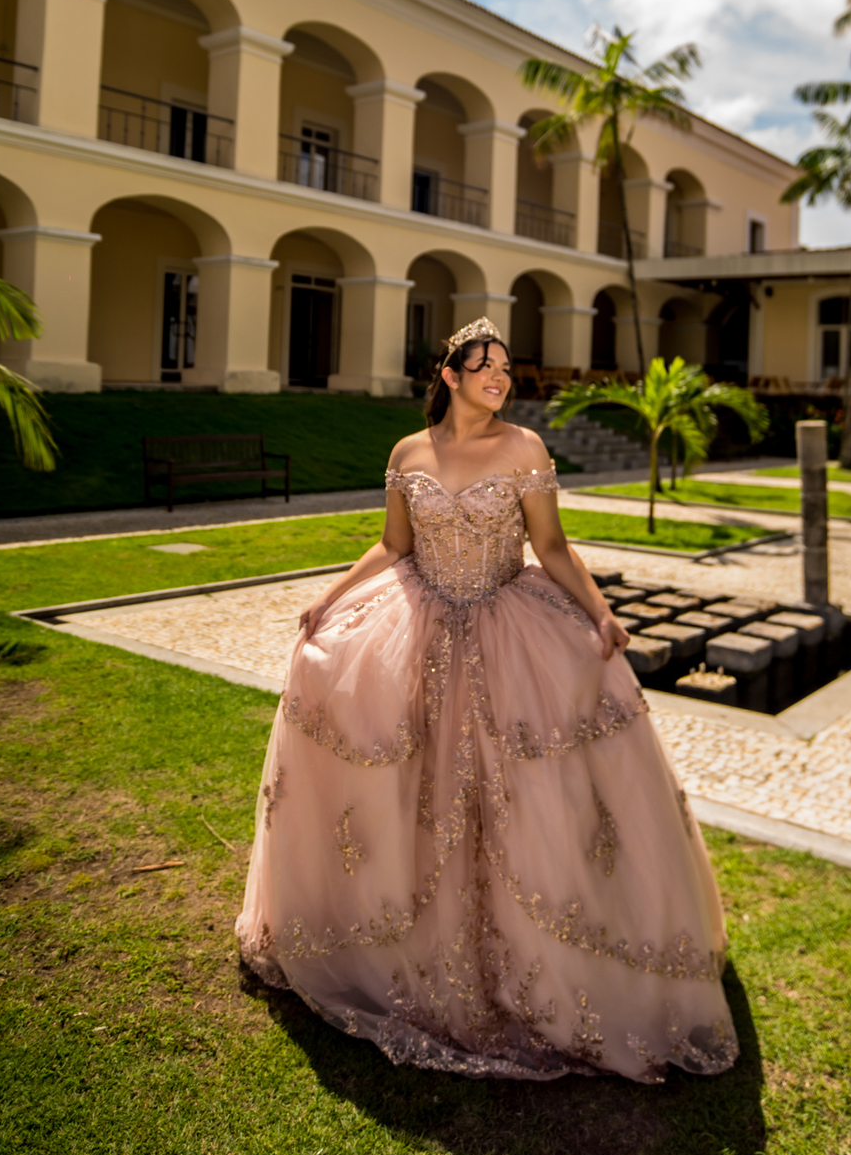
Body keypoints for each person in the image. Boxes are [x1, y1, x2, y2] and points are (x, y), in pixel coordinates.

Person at [235, 320, 739, 1081]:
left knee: (527, 795)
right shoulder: (409, 453)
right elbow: (394, 546)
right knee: (413, 783)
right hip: (419, 623)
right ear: (450, 376)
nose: (501, 377)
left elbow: (553, 547)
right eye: (485, 366)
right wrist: (332, 596)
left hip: (510, 627)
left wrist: (601, 612)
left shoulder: (524, 448)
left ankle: (535, 970)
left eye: (506, 367)